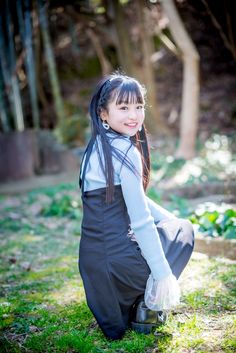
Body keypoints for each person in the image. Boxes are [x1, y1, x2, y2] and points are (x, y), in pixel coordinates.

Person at [78, 72, 194, 340]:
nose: (134, 115)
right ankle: (147, 305)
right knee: (184, 233)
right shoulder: (126, 150)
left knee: (177, 227)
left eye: (139, 106)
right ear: (103, 113)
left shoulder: (94, 149)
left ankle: (132, 301)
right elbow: (140, 221)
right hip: (122, 267)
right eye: (123, 107)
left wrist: (171, 221)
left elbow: (130, 201)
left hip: (94, 273)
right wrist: (163, 277)